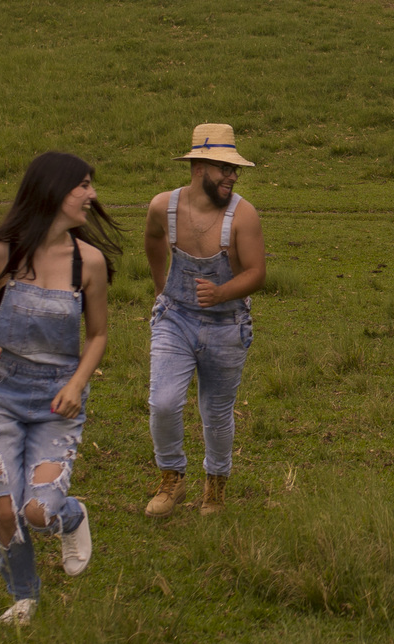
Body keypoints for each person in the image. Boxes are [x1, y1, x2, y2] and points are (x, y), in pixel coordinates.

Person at [0, 151, 122, 626]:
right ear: (51, 191)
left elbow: (99, 334)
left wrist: (77, 384)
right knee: (4, 508)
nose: (92, 195)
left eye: (91, 185)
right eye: (82, 185)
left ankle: (72, 516)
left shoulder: (89, 263)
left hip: (55, 403)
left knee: (37, 511)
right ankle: (24, 596)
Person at [143, 123, 266, 517]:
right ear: (199, 168)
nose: (231, 176)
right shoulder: (164, 206)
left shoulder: (243, 215)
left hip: (227, 324)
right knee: (162, 403)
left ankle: (215, 487)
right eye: (223, 169)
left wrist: (222, 293)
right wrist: (162, 286)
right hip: (175, 318)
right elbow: (152, 238)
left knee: (215, 411)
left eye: (234, 170)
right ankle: (172, 479)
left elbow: (257, 273)